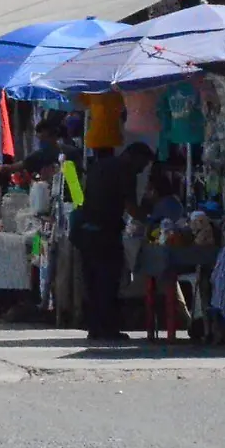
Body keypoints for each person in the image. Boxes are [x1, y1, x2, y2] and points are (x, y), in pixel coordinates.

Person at [74, 141, 154, 342]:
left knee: (92, 282)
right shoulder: (125, 171)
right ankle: (108, 328)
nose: (141, 171)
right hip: (105, 233)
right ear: (134, 157)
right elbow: (131, 207)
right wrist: (150, 221)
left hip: (86, 230)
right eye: (142, 165)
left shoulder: (100, 165)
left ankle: (95, 327)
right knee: (107, 281)